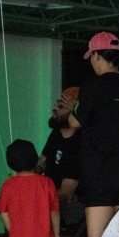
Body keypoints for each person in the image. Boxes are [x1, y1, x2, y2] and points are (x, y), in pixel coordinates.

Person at [64, 31, 119, 237]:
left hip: (99, 173)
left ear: (97, 56)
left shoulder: (94, 86)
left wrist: (68, 111)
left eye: (91, 57)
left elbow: (74, 122)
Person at [38, 86, 83, 227]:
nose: (54, 109)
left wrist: (35, 199)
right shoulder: (56, 133)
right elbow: (40, 165)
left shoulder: (81, 143)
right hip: (50, 204)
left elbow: (66, 193)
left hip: (68, 210)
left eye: (61, 105)